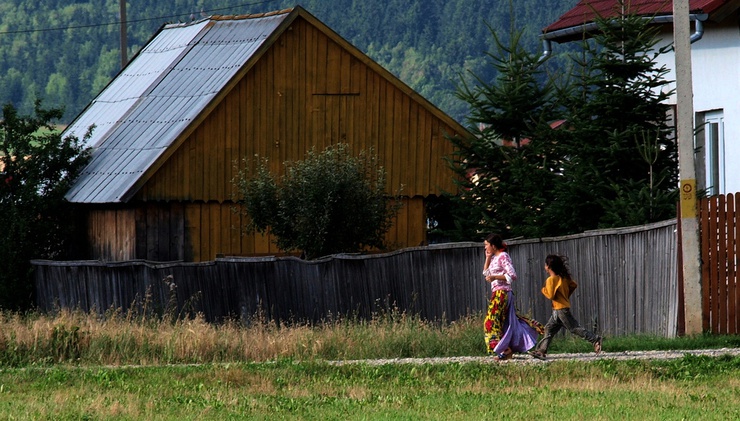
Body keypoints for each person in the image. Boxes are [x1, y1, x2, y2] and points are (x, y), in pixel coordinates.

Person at [529, 254, 602, 360]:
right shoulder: (563, 278)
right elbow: (573, 285)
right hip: (559, 309)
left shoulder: (551, 280)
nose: (544, 267)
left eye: (545, 265)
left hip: (560, 310)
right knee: (549, 329)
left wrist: (543, 289)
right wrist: (565, 295)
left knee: (573, 328)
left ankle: (595, 339)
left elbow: (550, 295)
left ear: (548, 266)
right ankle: (541, 351)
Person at [482, 234, 543, 360]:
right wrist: (487, 258)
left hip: (502, 293)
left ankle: (504, 349)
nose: (485, 247)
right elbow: (486, 273)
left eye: (486, 245)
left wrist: (495, 277)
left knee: (490, 322)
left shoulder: (503, 256)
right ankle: (506, 351)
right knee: (502, 322)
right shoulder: (494, 258)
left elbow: (512, 275)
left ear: (493, 246)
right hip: (497, 293)